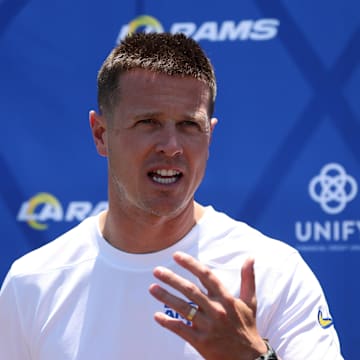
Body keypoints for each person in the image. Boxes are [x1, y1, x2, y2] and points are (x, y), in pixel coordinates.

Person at [0, 32, 343, 360]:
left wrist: (254, 358)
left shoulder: (273, 272)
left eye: (189, 125)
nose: (171, 146)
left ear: (209, 137)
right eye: (148, 122)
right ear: (101, 134)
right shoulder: (32, 283)